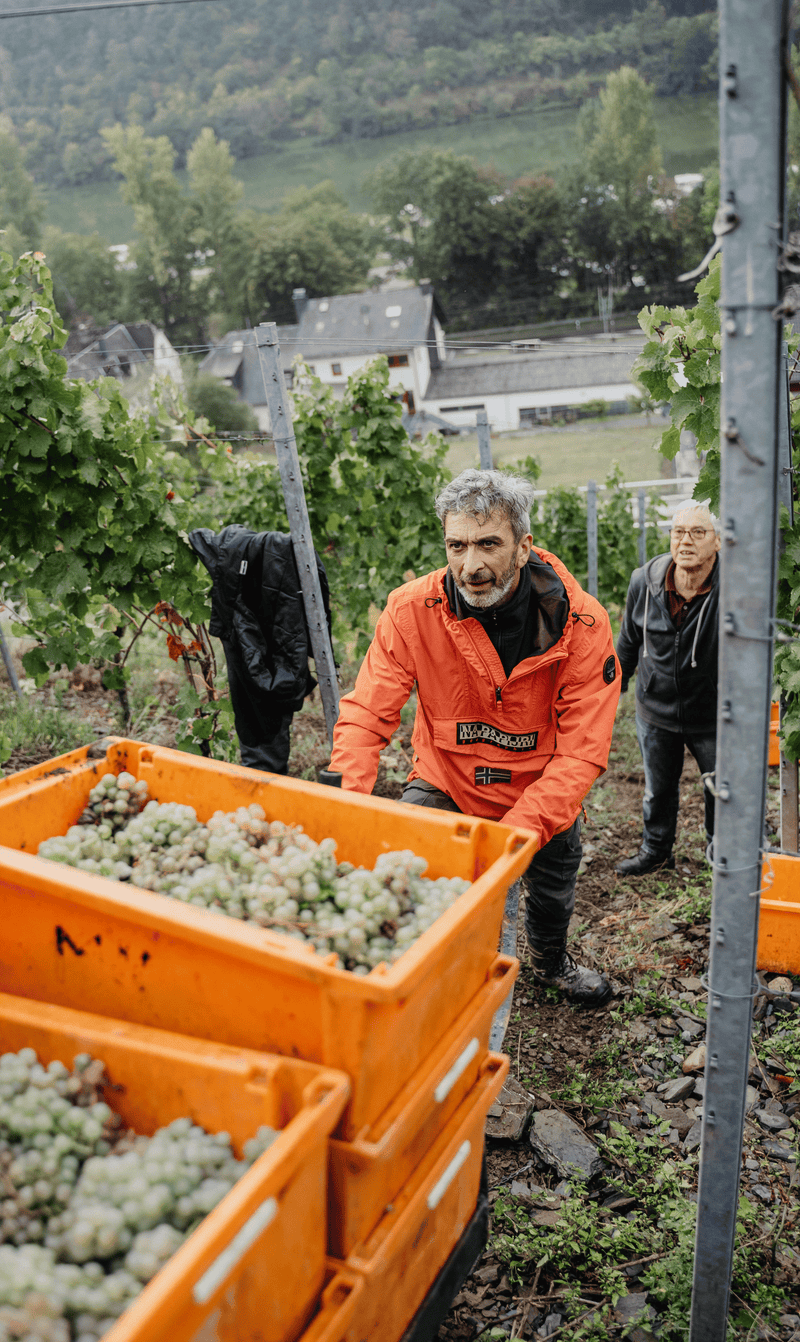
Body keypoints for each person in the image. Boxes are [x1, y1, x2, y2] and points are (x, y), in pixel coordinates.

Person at [328, 469, 621, 1006]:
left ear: (523, 546)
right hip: (448, 779)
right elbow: (367, 712)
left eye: (489, 544)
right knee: (406, 873)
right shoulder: (412, 611)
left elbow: (581, 753)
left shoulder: (582, 625)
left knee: (553, 890)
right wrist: (346, 806)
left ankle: (550, 961)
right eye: (456, 545)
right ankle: (421, 971)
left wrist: (512, 838)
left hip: (541, 790)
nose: (471, 565)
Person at [615, 503, 720, 877]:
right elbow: (628, 642)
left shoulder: (732, 588)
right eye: (678, 532)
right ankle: (656, 851)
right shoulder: (644, 581)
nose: (685, 541)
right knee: (658, 790)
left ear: (719, 541)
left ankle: (720, 852)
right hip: (655, 708)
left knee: (720, 789)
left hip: (713, 713)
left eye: (698, 532)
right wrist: (610, 691)